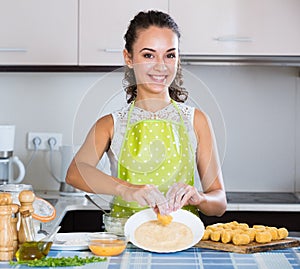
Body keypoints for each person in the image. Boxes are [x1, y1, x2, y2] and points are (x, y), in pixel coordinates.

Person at [66, 10, 227, 218]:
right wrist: (127, 189)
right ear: (129, 58)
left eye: (170, 55)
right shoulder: (110, 124)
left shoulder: (197, 121)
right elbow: (75, 173)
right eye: (148, 55)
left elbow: (220, 202)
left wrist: (200, 198)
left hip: (180, 241)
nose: (160, 66)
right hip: (125, 243)